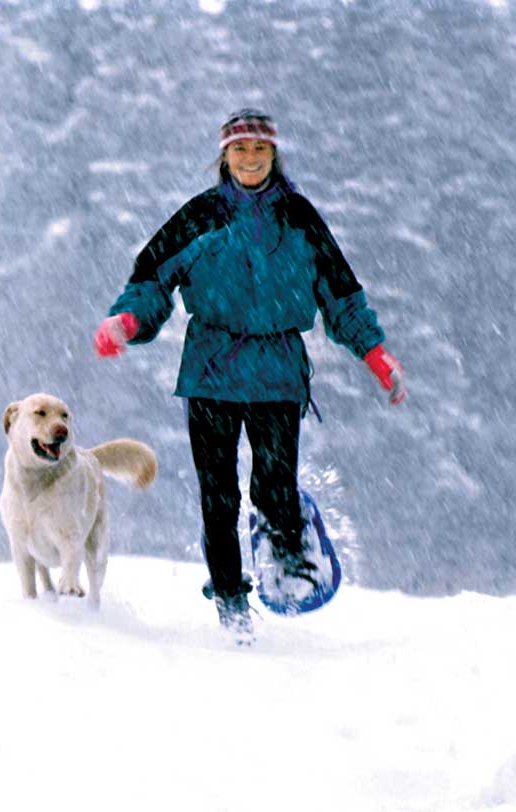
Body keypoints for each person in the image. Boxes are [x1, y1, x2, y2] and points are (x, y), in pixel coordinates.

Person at [93, 109, 405, 641]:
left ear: (274, 154)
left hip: (278, 371)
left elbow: (341, 294)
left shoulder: (299, 219)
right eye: (240, 150)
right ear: (224, 157)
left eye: (259, 149)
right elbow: (152, 278)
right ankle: (232, 602)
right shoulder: (200, 216)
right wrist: (127, 321)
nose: (250, 158)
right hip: (211, 370)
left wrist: (375, 355)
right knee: (219, 496)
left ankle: (286, 535)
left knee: (272, 485)